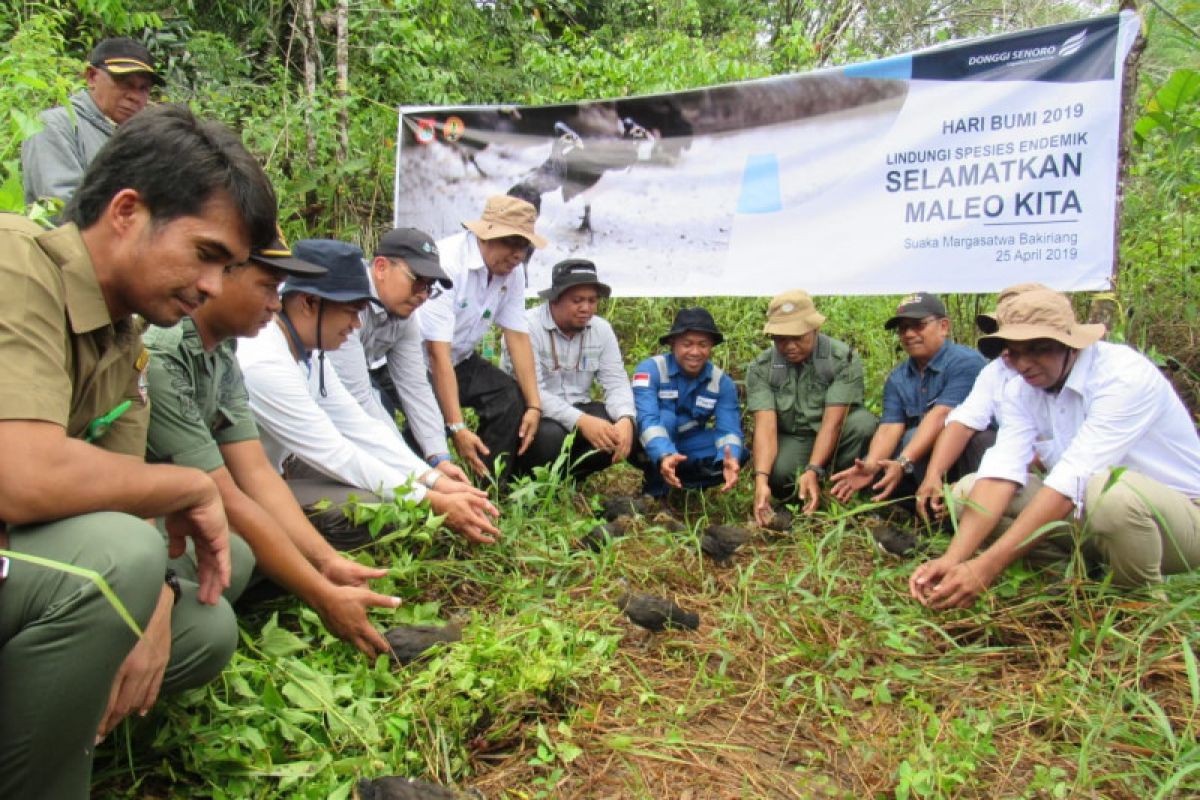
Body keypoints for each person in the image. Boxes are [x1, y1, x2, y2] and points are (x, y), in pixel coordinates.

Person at [0, 103, 276, 799]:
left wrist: (150, 602)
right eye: (207, 254)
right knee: (111, 567)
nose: (214, 286)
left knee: (201, 622)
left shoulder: (125, 338)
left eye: (231, 267)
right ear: (126, 211)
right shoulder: (15, 264)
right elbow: (22, 475)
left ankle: (42, 731)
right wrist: (190, 487)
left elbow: (126, 497)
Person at [144, 232, 402, 658]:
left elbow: (258, 474)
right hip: (151, 522)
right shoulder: (167, 354)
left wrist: (326, 562)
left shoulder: (223, 350)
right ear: (219, 277)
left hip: (198, 507)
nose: (275, 303)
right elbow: (228, 494)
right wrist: (322, 593)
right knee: (239, 557)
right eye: (268, 287)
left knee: (253, 549)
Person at [910, 288, 1200, 609]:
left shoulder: (1122, 376)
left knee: (1107, 489)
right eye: (1015, 352)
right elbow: (1000, 474)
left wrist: (986, 566)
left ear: (1069, 344)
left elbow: (1070, 482)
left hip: (1178, 522)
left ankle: (1138, 602)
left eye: (1039, 349)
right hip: (1089, 513)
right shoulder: (1022, 388)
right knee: (967, 494)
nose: (1024, 364)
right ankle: (1075, 582)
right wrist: (953, 558)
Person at [236, 238, 500, 546]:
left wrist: (433, 478)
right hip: (239, 492)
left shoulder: (310, 352)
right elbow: (336, 453)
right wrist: (430, 500)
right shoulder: (266, 360)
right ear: (309, 303)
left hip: (277, 472)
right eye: (351, 311)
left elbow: (359, 425)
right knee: (376, 506)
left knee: (385, 491)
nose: (356, 324)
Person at [417, 195, 547, 484]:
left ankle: (489, 487)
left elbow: (517, 336)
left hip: (459, 357)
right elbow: (437, 354)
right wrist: (457, 427)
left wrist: (535, 405)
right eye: (511, 243)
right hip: (415, 361)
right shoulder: (447, 263)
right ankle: (421, 492)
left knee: (508, 397)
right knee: (427, 423)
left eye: (523, 246)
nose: (517, 255)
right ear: (486, 234)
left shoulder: (512, 274)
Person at [325, 227, 468, 481]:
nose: (422, 295)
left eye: (429, 287)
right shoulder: (345, 301)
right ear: (380, 268)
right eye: (417, 281)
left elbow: (415, 387)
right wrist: (418, 472)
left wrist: (440, 458)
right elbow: (359, 398)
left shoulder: (406, 316)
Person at [830, 292, 987, 509]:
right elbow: (890, 426)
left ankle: (955, 506)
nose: (909, 334)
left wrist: (903, 462)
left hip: (967, 452)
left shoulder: (966, 363)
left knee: (913, 438)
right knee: (877, 465)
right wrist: (872, 464)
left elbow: (941, 415)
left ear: (943, 326)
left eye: (919, 325)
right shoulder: (899, 376)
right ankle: (921, 507)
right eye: (903, 328)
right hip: (920, 459)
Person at [913, 283, 1049, 521]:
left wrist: (980, 486)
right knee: (976, 446)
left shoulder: (1102, 375)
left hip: (1076, 482)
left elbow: (1063, 457)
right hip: (1019, 468)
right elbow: (962, 423)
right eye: (1003, 335)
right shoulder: (998, 372)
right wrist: (933, 476)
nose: (1008, 348)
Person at [746, 290, 877, 522]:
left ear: (815, 329)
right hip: (797, 437)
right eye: (781, 338)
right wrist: (761, 480)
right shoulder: (761, 367)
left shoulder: (841, 358)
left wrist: (813, 469)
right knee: (779, 474)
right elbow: (765, 427)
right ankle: (804, 494)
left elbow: (833, 423)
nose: (789, 345)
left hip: (836, 434)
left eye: (798, 336)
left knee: (863, 424)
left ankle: (840, 489)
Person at [505, 258, 637, 481]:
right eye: (577, 300)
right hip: (534, 413)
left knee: (621, 428)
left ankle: (572, 479)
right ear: (555, 299)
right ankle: (527, 481)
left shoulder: (601, 329)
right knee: (550, 436)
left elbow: (616, 382)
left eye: (592, 301)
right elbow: (533, 392)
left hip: (580, 407)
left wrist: (626, 418)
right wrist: (582, 421)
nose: (586, 308)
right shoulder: (526, 327)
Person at [22, 36, 162, 209]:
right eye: (125, 84)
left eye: (143, 88)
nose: (135, 97)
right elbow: (60, 206)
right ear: (92, 77)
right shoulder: (54, 126)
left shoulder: (143, 137)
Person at [633, 307, 745, 497]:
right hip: (647, 445)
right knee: (666, 419)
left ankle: (680, 485)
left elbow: (729, 430)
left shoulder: (722, 383)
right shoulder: (650, 369)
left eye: (703, 344)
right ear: (673, 343)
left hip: (688, 444)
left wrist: (731, 457)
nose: (695, 352)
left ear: (711, 346)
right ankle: (654, 490)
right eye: (687, 344)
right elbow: (647, 419)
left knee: (735, 450)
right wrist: (664, 454)